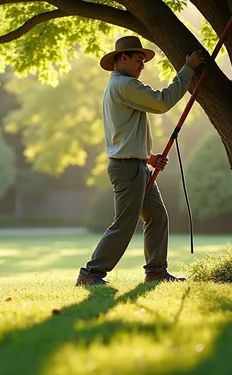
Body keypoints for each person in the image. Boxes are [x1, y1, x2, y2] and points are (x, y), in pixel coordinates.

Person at [76, 35, 205, 286]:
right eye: (138, 59)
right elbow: (162, 102)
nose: (142, 65)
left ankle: (156, 270)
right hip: (128, 169)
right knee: (124, 223)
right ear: (122, 58)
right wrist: (188, 69)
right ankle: (90, 273)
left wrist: (148, 157)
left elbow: (124, 133)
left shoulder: (117, 86)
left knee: (157, 215)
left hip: (136, 165)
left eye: (143, 61)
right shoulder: (125, 85)